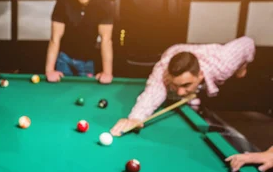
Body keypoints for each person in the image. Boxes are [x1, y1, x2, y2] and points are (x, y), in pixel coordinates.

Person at [110, 36, 256, 136]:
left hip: (211, 57)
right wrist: (135, 118)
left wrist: (242, 66)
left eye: (186, 85)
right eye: (175, 85)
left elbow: (248, 42)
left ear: (200, 75)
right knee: (174, 95)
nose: (180, 92)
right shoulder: (162, 71)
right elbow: (151, 94)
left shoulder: (224, 64)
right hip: (174, 50)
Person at [45, 0, 114, 84]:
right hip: (64, 59)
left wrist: (107, 72)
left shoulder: (104, 5)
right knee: (60, 94)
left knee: (85, 94)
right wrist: (49, 70)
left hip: (87, 61)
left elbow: (106, 41)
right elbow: (55, 39)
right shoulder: (63, 3)